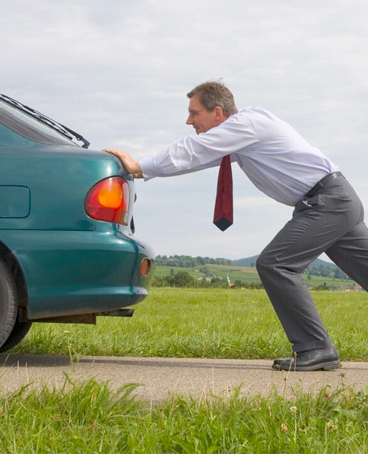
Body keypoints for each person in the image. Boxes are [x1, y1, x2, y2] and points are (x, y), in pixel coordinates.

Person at [104, 81, 368, 371]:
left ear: (217, 112)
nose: (188, 121)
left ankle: (316, 348)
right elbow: (196, 160)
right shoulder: (240, 136)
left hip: (328, 201)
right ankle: (317, 348)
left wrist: (139, 163)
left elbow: (194, 149)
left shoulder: (248, 124)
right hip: (334, 200)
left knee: (275, 264)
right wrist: (143, 171)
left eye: (194, 113)